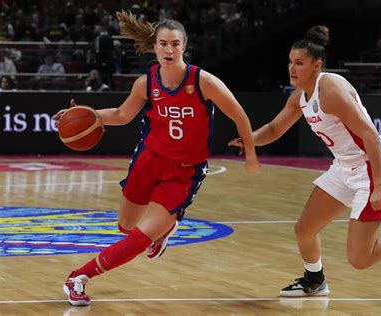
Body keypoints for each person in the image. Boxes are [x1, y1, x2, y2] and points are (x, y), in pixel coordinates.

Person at [52, 10, 260, 306]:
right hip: (149, 159)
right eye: (163, 44)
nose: (169, 50)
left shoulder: (204, 81)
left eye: (175, 44)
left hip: (184, 172)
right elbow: (123, 115)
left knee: (139, 237)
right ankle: (163, 231)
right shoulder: (145, 83)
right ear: (155, 47)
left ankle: (78, 277)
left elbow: (239, 114)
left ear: (184, 47)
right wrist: (90, 115)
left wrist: (250, 155)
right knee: (126, 226)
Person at [229, 25, 381, 297]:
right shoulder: (300, 96)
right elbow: (275, 129)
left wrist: (379, 185)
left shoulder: (330, 90)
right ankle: (315, 279)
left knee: (360, 259)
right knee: (304, 229)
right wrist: (250, 140)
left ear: (316, 65)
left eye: (299, 63)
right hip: (344, 167)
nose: (292, 68)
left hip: (373, 167)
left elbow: (370, 136)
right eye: (290, 62)